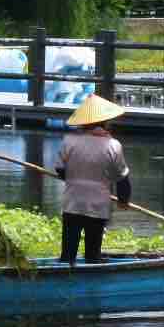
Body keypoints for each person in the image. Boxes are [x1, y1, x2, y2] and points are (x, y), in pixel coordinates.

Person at [54, 94, 131, 265]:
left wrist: (74, 180)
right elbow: (122, 177)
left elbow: (60, 169)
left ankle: (66, 270)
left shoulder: (69, 140)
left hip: (72, 201)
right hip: (98, 203)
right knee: (92, 252)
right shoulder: (113, 145)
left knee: (68, 251)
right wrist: (123, 200)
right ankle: (92, 268)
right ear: (105, 122)